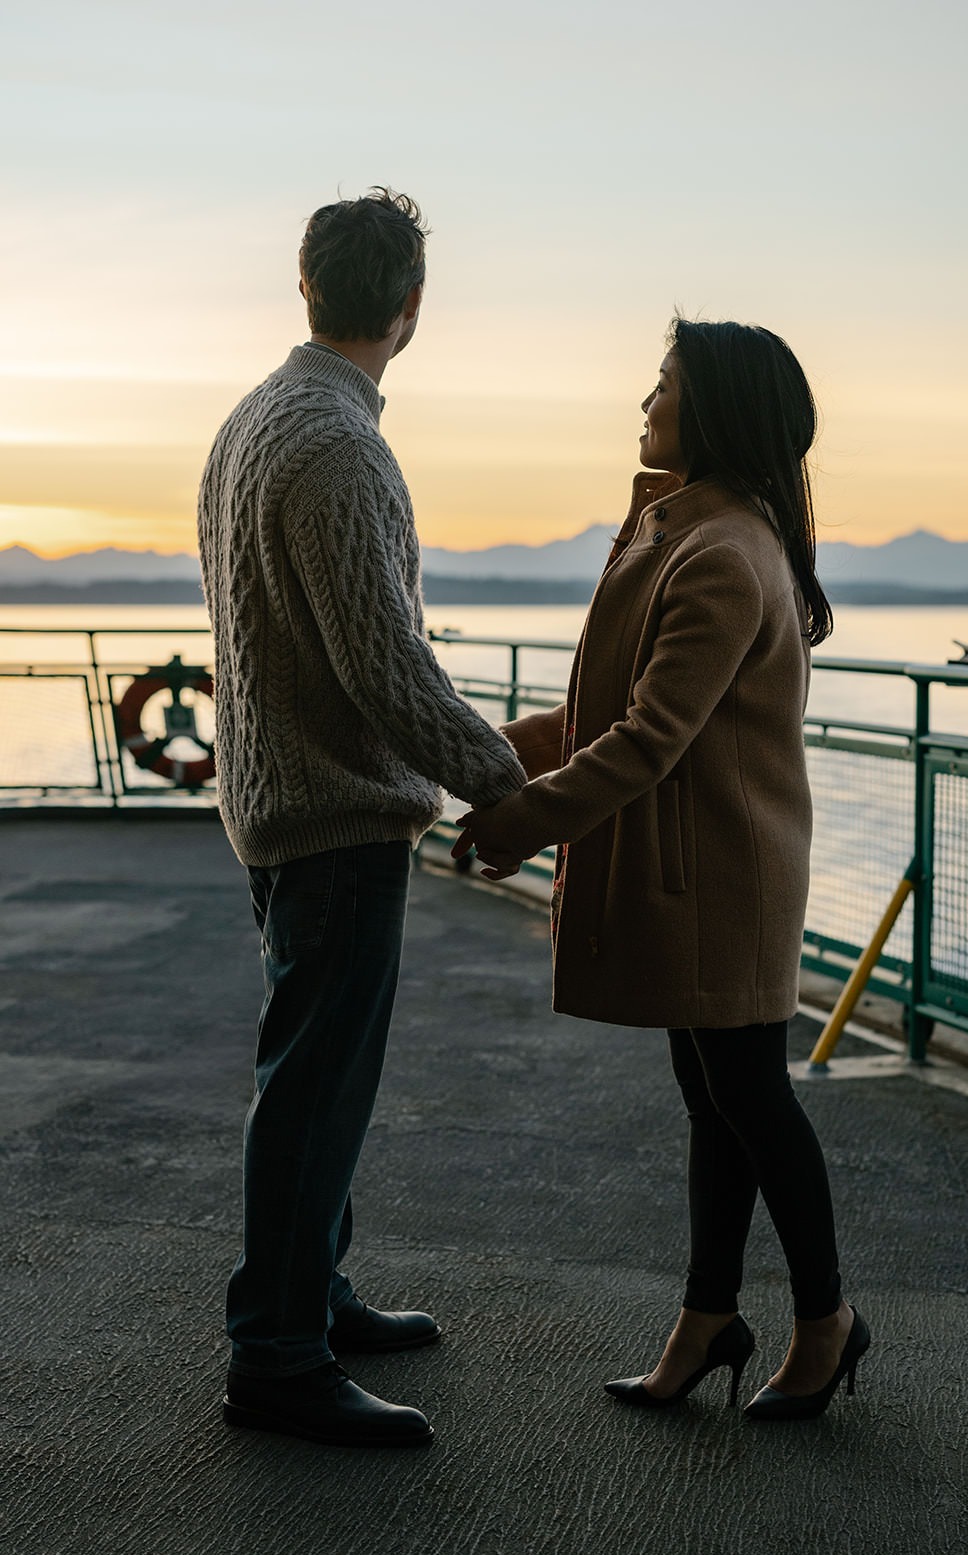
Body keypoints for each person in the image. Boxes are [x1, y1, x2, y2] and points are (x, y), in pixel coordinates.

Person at [453, 319, 870, 1421]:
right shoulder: (687, 532)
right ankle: (707, 1318)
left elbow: (647, 738)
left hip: (722, 876)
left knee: (749, 1097)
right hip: (702, 869)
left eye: (665, 384)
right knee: (716, 1099)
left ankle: (825, 1321)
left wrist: (517, 824)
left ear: (716, 411)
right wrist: (494, 753)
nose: (643, 398)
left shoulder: (721, 552)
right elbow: (602, 713)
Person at [197, 189, 526, 1448]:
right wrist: (506, 780)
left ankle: (312, 1299)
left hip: (274, 800)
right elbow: (386, 667)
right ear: (411, 307)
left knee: (312, 1079)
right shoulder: (338, 443)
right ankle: (275, 1355)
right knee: (315, 1090)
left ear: (303, 285)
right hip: (332, 816)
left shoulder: (251, 420)